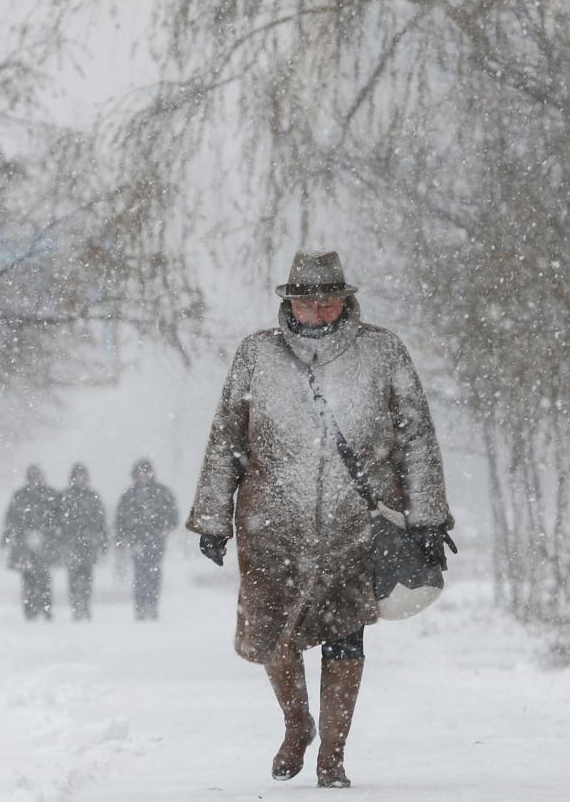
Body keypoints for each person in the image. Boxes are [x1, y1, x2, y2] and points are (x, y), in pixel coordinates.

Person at [188, 250, 455, 788]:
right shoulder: (256, 355)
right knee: (273, 636)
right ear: (289, 304)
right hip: (271, 526)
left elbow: (416, 438)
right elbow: (227, 440)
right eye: (308, 302)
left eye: (328, 301)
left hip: (351, 528)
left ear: (345, 300)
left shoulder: (382, 352)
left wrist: (427, 516)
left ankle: (332, 754)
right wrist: (214, 517)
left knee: (345, 639)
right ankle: (296, 723)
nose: (319, 310)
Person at [114, 458, 179, 620]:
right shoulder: (128, 495)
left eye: (145, 473)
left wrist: (167, 527)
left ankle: (152, 604)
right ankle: (140, 606)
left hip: (156, 540)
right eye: (140, 473)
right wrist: (123, 538)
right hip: (136, 541)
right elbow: (120, 520)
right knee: (140, 574)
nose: (143, 476)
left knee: (154, 573)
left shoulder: (162, 492)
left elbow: (173, 515)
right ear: (135, 475)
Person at [0, 465, 62, 621]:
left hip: (45, 544)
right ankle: (30, 610)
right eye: (32, 477)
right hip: (24, 544)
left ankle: (46, 608)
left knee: (45, 578)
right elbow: (11, 519)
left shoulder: (51, 495)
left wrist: (52, 534)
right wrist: (6, 538)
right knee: (28, 578)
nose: (35, 481)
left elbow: (59, 518)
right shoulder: (20, 496)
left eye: (37, 477)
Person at [59, 462, 108, 621]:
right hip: (71, 543)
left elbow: (101, 521)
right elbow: (58, 521)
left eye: (82, 476)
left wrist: (102, 541)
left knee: (87, 577)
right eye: (77, 476)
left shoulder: (93, 497)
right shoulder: (65, 497)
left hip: (88, 543)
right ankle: (76, 606)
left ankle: (85, 605)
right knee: (73, 577)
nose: (80, 479)